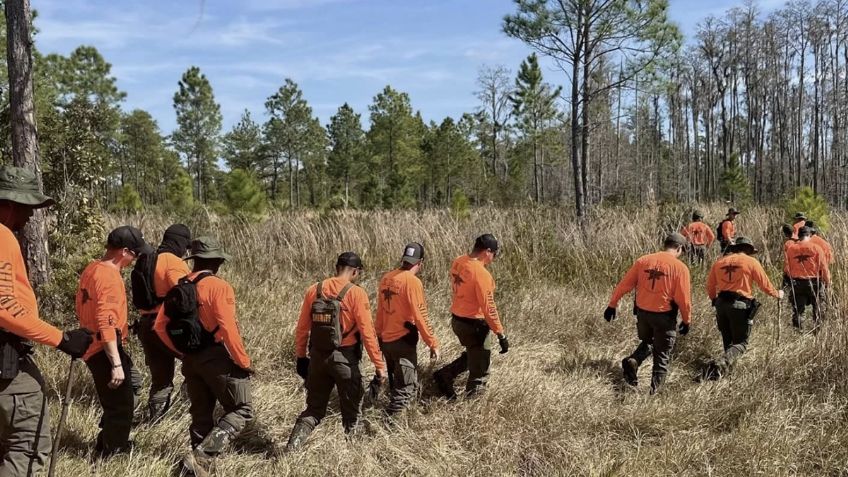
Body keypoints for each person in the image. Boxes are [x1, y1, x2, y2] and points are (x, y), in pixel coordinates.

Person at [0, 166, 93, 476]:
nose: (30, 216)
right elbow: (3, 306)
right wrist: (62, 339)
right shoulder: (1, 235)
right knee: (28, 445)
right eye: (27, 207)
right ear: (8, 204)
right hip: (5, 362)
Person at [153, 237, 253, 477]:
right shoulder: (219, 287)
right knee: (242, 410)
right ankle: (203, 456)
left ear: (194, 261)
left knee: (200, 414)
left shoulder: (179, 287)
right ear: (217, 261)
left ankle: (194, 471)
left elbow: (159, 327)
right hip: (217, 358)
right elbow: (228, 328)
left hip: (190, 360)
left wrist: (181, 353)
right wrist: (243, 362)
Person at [286, 252, 386, 451]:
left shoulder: (314, 290)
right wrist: (379, 365)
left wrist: (301, 357)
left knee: (313, 411)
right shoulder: (357, 294)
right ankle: (356, 459)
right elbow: (368, 333)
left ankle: (291, 449)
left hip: (317, 359)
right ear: (355, 272)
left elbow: (302, 329)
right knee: (352, 415)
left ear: (336, 267)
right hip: (345, 361)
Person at [76, 225, 149, 456]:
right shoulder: (109, 276)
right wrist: (116, 363)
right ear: (124, 251)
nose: (135, 259)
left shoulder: (92, 268)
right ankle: (112, 453)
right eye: (135, 254)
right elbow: (106, 321)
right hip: (104, 347)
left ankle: (106, 442)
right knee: (121, 406)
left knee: (122, 394)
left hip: (93, 345)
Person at [604, 233, 692, 394]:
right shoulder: (680, 268)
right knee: (662, 356)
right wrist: (686, 321)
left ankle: (634, 360)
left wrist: (612, 304)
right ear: (679, 248)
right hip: (664, 317)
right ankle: (655, 396)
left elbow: (624, 285)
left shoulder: (643, 261)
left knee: (650, 341)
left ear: (666, 244)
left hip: (643, 315)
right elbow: (684, 299)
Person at [433, 234, 509, 399]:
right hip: (475, 325)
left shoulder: (459, 261)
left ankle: (445, 375)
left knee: (473, 353)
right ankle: (473, 407)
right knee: (481, 371)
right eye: (494, 254)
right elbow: (489, 308)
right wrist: (500, 333)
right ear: (487, 251)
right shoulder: (482, 274)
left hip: (457, 321)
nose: (494, 258)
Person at [132, 224, 191, 421]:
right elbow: (184, 297)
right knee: (196, 365)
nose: (186, 250)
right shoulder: (173, 262)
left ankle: (156, 422)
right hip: (167, 327)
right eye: (185, 245)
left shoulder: (145, 260)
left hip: (145, 328)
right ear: (179, 243)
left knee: (161, 380)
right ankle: (186, 414)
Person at [374, 243, 439, 416]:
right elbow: (421, 315)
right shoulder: (413, 282)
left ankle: (389, 417)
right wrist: (432, 343)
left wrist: (379, 336)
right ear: (420, 262)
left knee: (397, 384)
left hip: (386, 342)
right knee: (405, 389)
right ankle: (390, 427)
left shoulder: (387, 278)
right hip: (403, 342)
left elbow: (380, 311)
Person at [704, 237, 783, 378]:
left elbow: (710, 286)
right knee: (741, 343)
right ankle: (721, 363)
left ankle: (723, 374)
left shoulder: (719, 262)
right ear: (747, 249)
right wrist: (778, 294)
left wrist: (714, 300)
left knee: (728, 341)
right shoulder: (751, 262)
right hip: (740, 305)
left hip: (721, 304)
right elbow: (765, 285)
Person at [785, 226, 830, 329]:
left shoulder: (791, 249)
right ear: (809, 235)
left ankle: (798, 332)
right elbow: (824, 267)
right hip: (815, 283)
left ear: (799, 236)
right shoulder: (816, 248)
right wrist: (827, 282)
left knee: (798, 311)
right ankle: (817, 332)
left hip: (797, 283)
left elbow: (787, 269)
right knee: (818, 309)